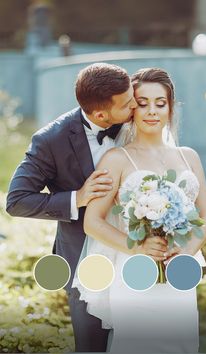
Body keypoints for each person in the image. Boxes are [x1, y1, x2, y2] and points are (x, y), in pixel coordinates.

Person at [6, 63, 171, 352]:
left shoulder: (133, 119)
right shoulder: (50, 141)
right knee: (92, 344)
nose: (136, 106)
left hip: (139, 251)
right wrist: (76, 198)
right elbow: (17, 200)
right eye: (129, 103)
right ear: (101, 115)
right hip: (84, 256)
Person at [73, 68, 206, 353]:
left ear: (170, 108)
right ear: (131, 109)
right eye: (142, 103)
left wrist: (186, 254)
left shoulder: (189, 157)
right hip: (136, 270)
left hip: (179, 273)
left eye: (160, 103)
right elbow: (92, 222)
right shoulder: (116, 159)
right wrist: (137, 247)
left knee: (182, 345)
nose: (152, 111)